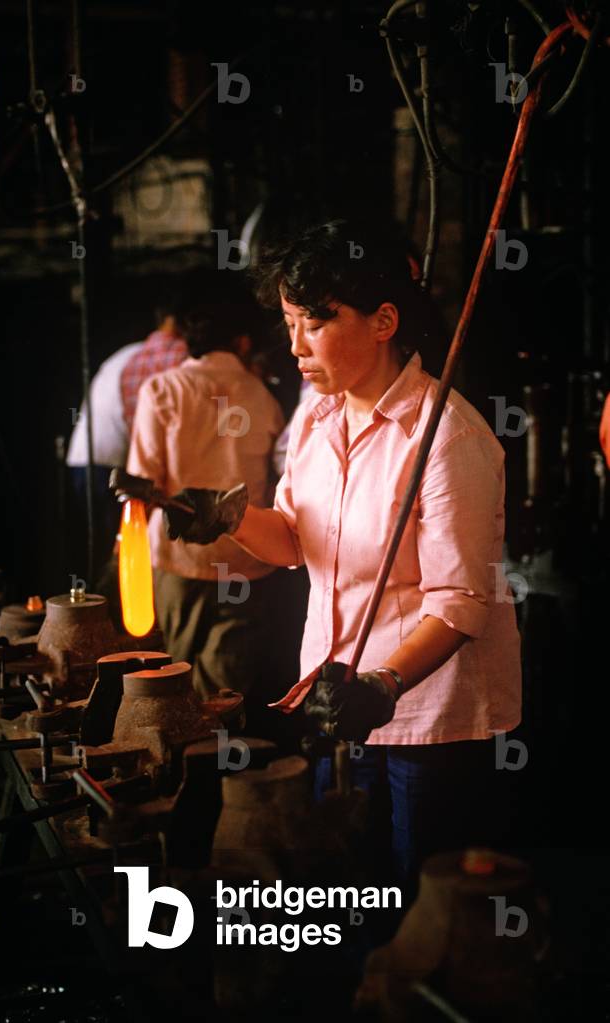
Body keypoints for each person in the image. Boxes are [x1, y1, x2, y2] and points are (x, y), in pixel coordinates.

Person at [161, 220, 522, 895]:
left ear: (383, 320)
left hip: (427, 722)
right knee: (350, 889)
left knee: (420, 905)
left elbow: (462, 600)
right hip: (335, 703)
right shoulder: (317, 420)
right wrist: (230, 516)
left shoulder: (446, 436)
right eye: (291, 321)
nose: (295, 344)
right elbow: (297, 541)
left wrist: (382, 685)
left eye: (316, 322)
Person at [126, 272, 285, 731]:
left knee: (173, 681)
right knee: (226, 694)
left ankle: (175, 776)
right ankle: (221, 778)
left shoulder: (163, 391)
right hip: (246, 561)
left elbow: (142, 485)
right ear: (241, 342)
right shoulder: (265, 398)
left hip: (180, 563)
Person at [66, 299, 188, 577]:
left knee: (97, 550)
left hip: (81, 459)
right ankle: (118, 613)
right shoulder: (168, 355)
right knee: (123, 550)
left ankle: (99, 610)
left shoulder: (128, 354)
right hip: (109, 465)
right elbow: (147, 428)